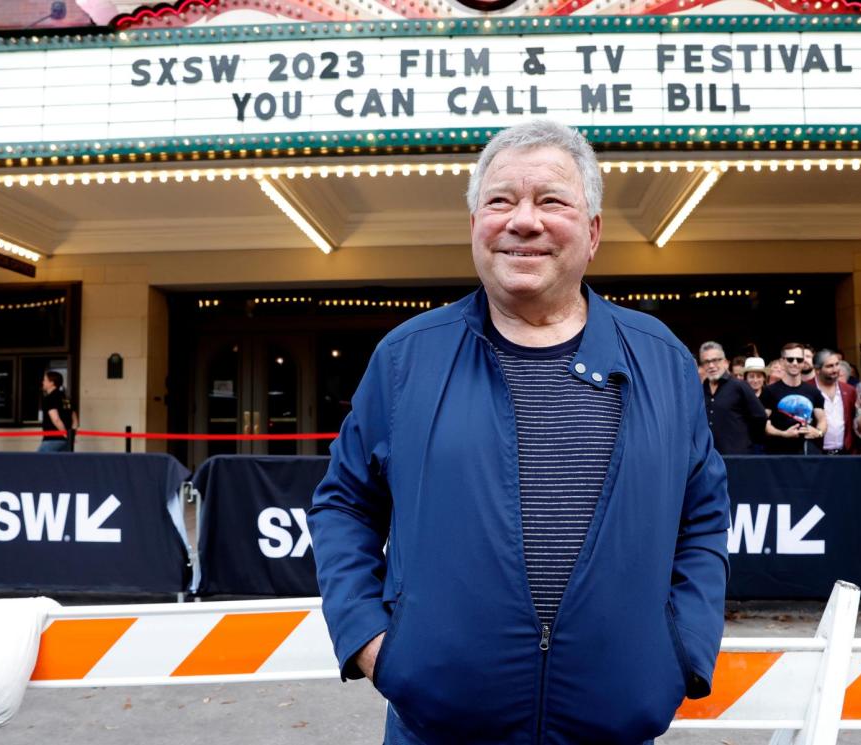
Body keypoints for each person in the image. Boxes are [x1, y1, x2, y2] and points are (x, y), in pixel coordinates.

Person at [307, 121, 730, 745]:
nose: (523, 221)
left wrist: (684, 647)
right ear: (474, 225)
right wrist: (371, 642)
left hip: (613, 723)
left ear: (591, 233)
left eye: (552, 201)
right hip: (439, 726)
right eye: (500, 200)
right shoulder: (407, 359)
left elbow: (703, 515)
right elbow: (343, 503)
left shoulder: (661, 359)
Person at [698, 342, 767, 455]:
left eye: (715, 360)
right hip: (708, 457)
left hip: (737, 456)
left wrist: (747, 441)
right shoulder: (700, 390)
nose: (711, 365)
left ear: (725, 362)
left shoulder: (739, 386)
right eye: (706, 362)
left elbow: (760, 416)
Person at [763, 342, 827, 455]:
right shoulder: (769, 391)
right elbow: (764, 424)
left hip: (807, 455)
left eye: (799, 360)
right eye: (790, 359)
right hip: (777, 456)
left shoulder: (813, 391)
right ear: (782, 361)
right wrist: (783, 434)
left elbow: (822, 420)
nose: (795, 363)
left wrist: (818, 432)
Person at [810, 349, 856, 455]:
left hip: (845, 454)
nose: (835, 369)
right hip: (816, 454)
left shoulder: (849, 390)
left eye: (837, 364)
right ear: (817, 370)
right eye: (829, 366)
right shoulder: (807, 389)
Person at [38, 371, 76, 453]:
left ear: (51, 383)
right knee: (61, 465)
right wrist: (70, 436)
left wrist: (64, 433)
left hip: (52, 439)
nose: (43, 382)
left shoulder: (49, 398)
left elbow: (55, 419)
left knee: (38, 463)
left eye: (45, 380)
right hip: (65, 442)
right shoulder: (65, 398)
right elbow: (74, 418)